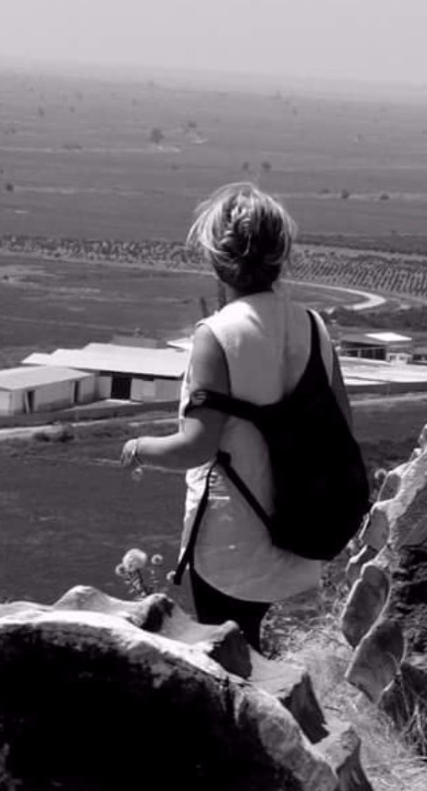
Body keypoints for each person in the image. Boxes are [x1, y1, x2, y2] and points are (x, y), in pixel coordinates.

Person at [119, 182, 353, 653]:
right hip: (304, 538)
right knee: (288, 663)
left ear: (216, 257)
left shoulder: (216, 335)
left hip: (232, 547)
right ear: (280, 254)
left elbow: (196, 447)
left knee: (231, 666)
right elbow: (342, 429)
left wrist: (138, 448)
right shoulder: (313, 326)